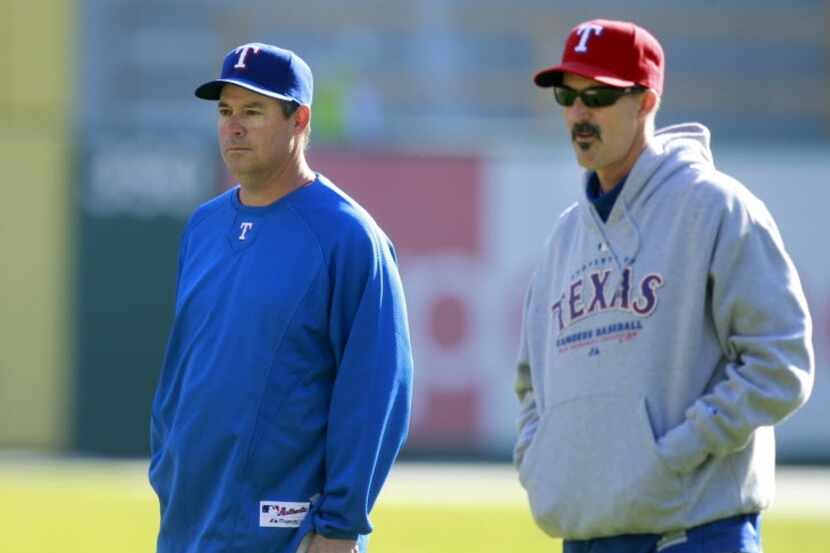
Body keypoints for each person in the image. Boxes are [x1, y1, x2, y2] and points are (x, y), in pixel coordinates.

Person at [514, 19, 814, 553]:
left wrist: (677, 451)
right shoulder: (565, 237)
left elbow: (781, 361)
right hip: (586, 534)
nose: (580, 114)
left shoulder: (716, 207)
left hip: (693, 534)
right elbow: (530, 385)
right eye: (568, 95)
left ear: (646, 101)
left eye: (599, 96)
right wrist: (544, 464)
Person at [149, 43, 413, 553]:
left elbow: (378, 393)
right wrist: (167, 466)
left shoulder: (348, 236)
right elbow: (182, 366)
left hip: (286, 529)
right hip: (188, 519)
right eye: (225, 111)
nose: (234, 126)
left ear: (300, 119)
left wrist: (340, 526)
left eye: (253, 111)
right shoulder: (204, 226)